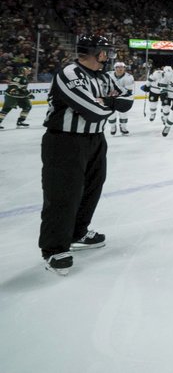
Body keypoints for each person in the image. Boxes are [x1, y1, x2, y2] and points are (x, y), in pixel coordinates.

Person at [40, 35, 133, 275]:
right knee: (63, 193)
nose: (107, 56)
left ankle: (78, 232)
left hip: (95, 140)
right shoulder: (70, 74)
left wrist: (107, 102)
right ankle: (54, 249)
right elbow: (93, 110)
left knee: (93, 187)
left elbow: (127, 101)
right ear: (90, 52)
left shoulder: (103, 77)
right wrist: (108, 103)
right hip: (65, 141)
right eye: (103, 51)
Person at [0, 65, 34, 129]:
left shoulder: (22, 77)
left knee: (27, 106)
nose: (29, 71)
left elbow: (22, 88)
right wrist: (13, 89)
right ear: (23, 71)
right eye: (27, 70)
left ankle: (20, 121)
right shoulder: (20, 78)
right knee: (6, 109)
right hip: (12, 96)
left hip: (20, 96)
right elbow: (14, 85)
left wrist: (29, 94)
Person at [107, 62, 135, 135]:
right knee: (110, 113)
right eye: (118, 67)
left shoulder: (129, 77)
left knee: (123, 113)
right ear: (114, 68)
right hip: (112, 97)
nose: (120, 69)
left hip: (125, 98)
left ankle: (123, 127)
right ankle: (113, 126)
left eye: (122, 67)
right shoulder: (108, 74)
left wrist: (113, 92)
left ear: (124, 68)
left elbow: (128, 92)